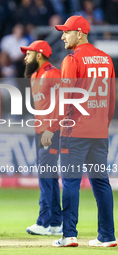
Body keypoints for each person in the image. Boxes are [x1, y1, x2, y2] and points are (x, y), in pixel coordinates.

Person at [41, 15, 117, 247]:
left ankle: (70, 235)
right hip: (99, 132)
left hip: (75, 132)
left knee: (71, 181)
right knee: (101, 183)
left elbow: (66, 98)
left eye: (67, 32)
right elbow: (112, 97)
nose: (63, 36)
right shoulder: (106, 59)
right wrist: (103, 123)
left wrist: (51, 127)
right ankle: (107, 236)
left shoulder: (72, 59)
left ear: (81, 33)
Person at [20, 40, 62, 236]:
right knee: (50, 178)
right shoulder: (35, 75)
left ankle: (43, 222)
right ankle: (55, 223)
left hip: (50, 133)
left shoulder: (52, 74)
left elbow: (63, 104)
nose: (25, 58)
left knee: (46, 177)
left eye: (28, 54)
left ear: (39, 54)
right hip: (42, 132)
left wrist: (51, 130)